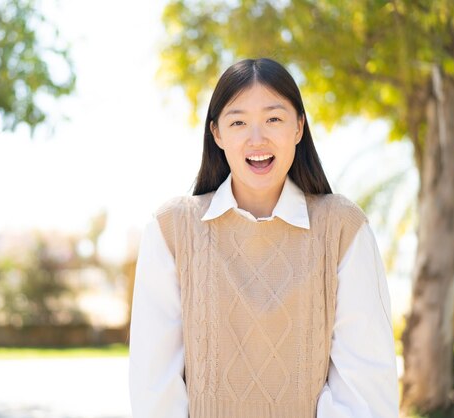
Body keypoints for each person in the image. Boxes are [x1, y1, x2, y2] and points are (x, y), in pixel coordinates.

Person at [128, 58, 399, 418]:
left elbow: (365, 391)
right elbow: (154, 389)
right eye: (238, 122)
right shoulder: (172, 230)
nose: (257, 139)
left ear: (299, 127)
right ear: (217, 134)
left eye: (274, 119)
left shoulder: (343, 229)